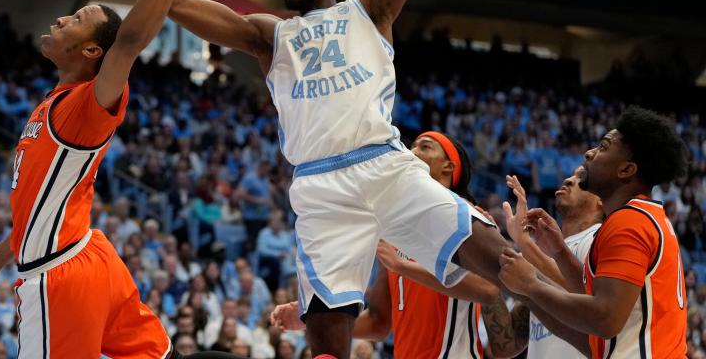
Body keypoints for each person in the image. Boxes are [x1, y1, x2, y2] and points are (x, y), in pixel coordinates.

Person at [167, 0, 511, 358]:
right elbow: (177, 4)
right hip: (320, 187)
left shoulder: (372, 8)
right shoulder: (269, 34)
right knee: (328, 340)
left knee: (503, 261)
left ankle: (578, 325)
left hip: (385, 166)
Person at [0, 0, 250, 359]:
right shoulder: (51, 104)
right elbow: (34, 216)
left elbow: (127, 42)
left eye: (77, 18)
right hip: (92, 258)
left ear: (89, 49)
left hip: (60, 271)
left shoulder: (88, 104)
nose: (61, 18)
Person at [272, 131, 526, 359]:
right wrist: (313, 318)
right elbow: (378, 323)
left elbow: (487, 288)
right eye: (412, 146)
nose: (413, 152)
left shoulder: (466, 218)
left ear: (449, 167)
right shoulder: (393, 229)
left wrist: (401, 266)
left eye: (425, 147)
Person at [499, 106, 690, 358]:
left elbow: (605, 319)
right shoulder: (643, 216)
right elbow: (597, 295)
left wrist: (531, 286)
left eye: (603, 147)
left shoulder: (630, 221)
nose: (589, 153)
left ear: (626, 170)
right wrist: (559, 252)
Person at [500, 168, 604, 358]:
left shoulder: (600, 239)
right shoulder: (541, 253)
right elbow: (508, 344)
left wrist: (524, 243)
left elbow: (597, 305)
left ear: (602, 200)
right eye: (571, 175)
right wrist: (488, 254)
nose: (569, 180)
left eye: (581, 178)